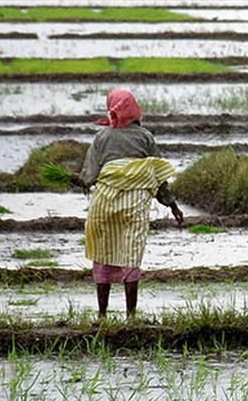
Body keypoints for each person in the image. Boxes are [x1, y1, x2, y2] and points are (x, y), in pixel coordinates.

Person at [78, 89, 182, 319]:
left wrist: (78, 180)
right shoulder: (145, 137)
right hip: (135, 203)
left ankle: (102, 315)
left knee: (103, 253)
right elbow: (156, 176)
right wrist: (171, 204)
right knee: (131, 254)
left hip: (105, 201)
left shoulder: (102, 137)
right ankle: (131, 316)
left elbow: (88, 176)